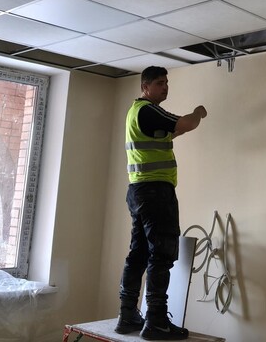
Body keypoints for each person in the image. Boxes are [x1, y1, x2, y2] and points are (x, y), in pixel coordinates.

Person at [115, 66, 208, 340]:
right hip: (156, 192)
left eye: (167, 82)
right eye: (159, 83)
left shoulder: (137, 113)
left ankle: (127, 314)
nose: (165, 87)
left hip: (139, 191)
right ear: (145, 87)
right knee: (162, 254)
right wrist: (199, 112)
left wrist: (179, 127)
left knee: (139, 253)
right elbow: (187, 124)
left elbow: (171, 132)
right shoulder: (148, 110)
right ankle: (155, 320)